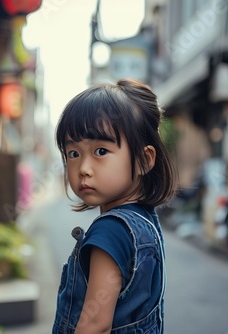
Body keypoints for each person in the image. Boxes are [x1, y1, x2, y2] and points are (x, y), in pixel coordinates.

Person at [52, 79, 177, 333]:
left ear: (144, 160)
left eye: (100, 151)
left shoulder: (111, 230)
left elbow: (95, 325)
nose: (84, 169)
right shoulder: (145, 222)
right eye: (73, 154)